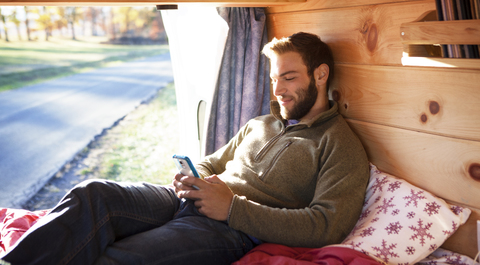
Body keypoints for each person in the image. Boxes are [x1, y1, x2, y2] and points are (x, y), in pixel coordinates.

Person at [1, 32, 369, 265]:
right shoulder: (261, 123)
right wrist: (193, 179)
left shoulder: (339, 145)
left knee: (122, 257)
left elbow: (326, 226)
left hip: (232, 229)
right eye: (274, 79)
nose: (277, 90)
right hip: (187, 201)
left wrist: (233, 209)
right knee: (93, 194)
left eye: (289, 78)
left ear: (320, 75)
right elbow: (211, 162)